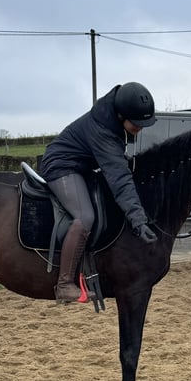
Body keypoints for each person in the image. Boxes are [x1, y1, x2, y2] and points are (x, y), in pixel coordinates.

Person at [39, 82, 159, 304]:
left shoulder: (112, 120)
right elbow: (121, 180)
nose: (140, 128)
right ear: (121, 114)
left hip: (81, 166)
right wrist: (139, 221)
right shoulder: (104, 130)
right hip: (62, 166)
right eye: (137, 123)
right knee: (85, 217)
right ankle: (64, 284)